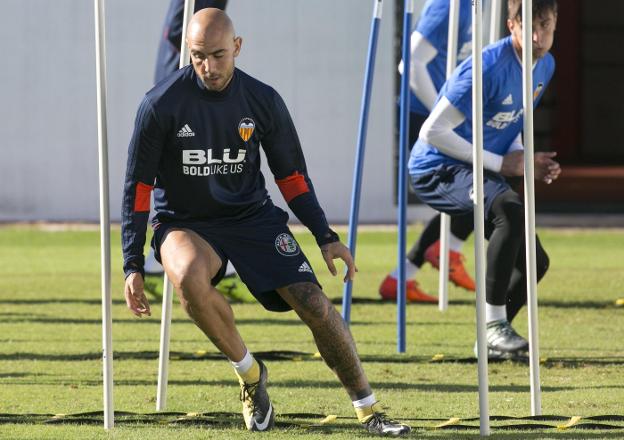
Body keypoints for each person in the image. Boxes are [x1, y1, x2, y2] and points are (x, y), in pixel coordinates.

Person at [121, 9, 410, 435]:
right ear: (188, 51)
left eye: (219, 55)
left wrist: (325, 236)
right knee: (186, 276)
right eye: (199, 56)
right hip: (184, 222)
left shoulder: (262, 99)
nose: (209, 67)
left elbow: (291, 178)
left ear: (237, 47)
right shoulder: (159, 104)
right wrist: (131, 264)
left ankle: (368, 410)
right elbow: (138, 188)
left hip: (253, 218)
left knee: (315, 304)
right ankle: (250, 373)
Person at [408, 0, 560, 359]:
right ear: (512, 26)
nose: (539, 36)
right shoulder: (486, 67)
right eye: (529, 26)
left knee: (536, 263)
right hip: (436, 168)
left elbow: (514, 124)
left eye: (546, 25)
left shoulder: (546, 65)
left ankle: (491, 339)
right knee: (508, 209)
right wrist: (501, 164)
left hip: (479, 166)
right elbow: (432, 132)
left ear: (555, 24)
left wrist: (524, 160)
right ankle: (493, 326)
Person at [379, 0, 476, 303]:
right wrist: (440, 115)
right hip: (425, 115)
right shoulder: (449, 5)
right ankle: (447, 250)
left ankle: (402, 276)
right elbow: (410, 63)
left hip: (446, 113)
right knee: (479, 186)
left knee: (479, 186)